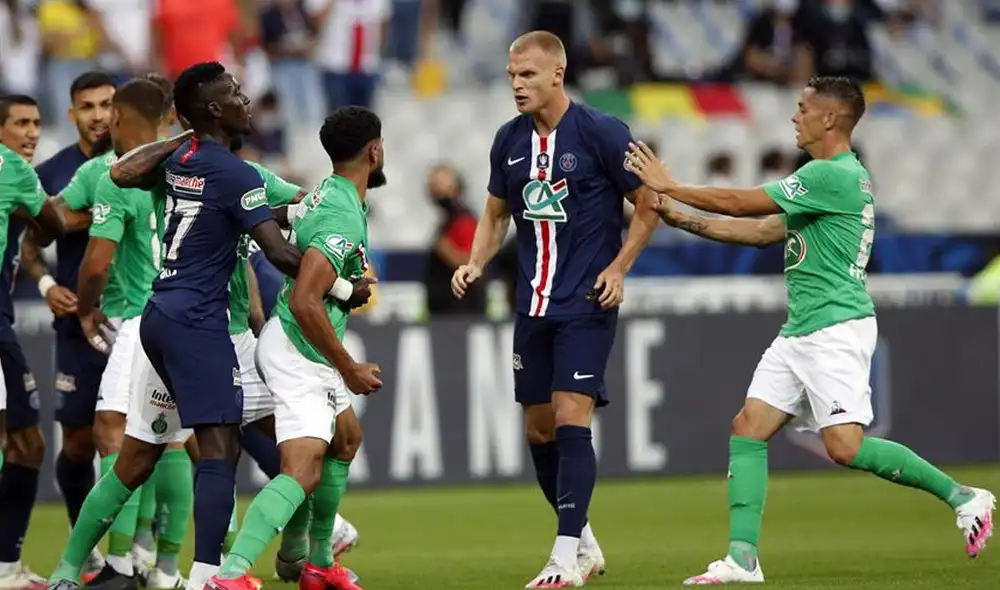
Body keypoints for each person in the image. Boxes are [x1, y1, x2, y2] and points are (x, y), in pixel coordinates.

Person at [622, 75, 997, 585]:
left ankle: (965, 497)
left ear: (829, 118)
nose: (794, 116)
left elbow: (741, 205)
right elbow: (759, 233)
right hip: (802, 329)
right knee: (748, 426)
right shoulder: (828, 180)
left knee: (846, 447)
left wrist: (670, 184)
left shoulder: (833, 175)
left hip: (834, 328)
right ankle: (742, 559)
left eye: (802, 108)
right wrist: (676, 214)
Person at [44, 61, 301, 590]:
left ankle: (69, 571)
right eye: (233, 92)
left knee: (138, 457)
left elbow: (122, 171)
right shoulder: (237, 174)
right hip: (200, 325)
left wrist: (184, 136)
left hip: (158, 320)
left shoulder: (180, 160)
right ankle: (211, 575)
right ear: (212, 110)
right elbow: (277, 254)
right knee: (220, 448)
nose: (245, 98)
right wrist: (340, 278)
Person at [450, 31, 660, 588]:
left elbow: (648, 200)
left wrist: (618, 268)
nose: (517, 86)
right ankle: (584, 541)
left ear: (557, 75)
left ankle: (563, 557)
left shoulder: (600, 131)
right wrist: (475, 261)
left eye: (527, 76)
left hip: (587, 302)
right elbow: (495, 214)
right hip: (532, 306)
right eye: (511, 77)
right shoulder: (508, 141)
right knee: (539, 432)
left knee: (571, 418)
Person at [206, 106, 386, 590]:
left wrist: (348, 288)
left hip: (298, 341)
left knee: (346, 439)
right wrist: (347, 367)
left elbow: (309, 269)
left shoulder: (329, 192)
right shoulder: (342, 213)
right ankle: (231, 574)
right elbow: (307, 300)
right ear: (375, 150)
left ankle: (315, 561)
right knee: (301, 471)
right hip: (298, 348)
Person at [23, 74, 114, 581]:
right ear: (72, 113)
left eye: (106, 104)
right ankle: (92, 549)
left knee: (154, 442)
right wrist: (46, 285)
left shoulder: (139, 163)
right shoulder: (54, 172)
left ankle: (144, 555)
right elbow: (30, 247)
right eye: (87, 106)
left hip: (139, 321)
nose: (98, 114)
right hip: (79, 324)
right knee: (78, 443)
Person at [0, 93, 60, 590]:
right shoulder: (17, 172)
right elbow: (55, 222)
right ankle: (6, 569)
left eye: (37, 123)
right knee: (27, 443)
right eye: (20, 123)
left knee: (18, 443)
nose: (31, 133)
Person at [423, 164, 485, 317]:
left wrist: (445, 249)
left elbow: (471, 262)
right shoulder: (447, 220)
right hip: (444, 309)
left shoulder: (463, 219)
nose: (434, 189)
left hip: (460, 311)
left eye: (440, 184)